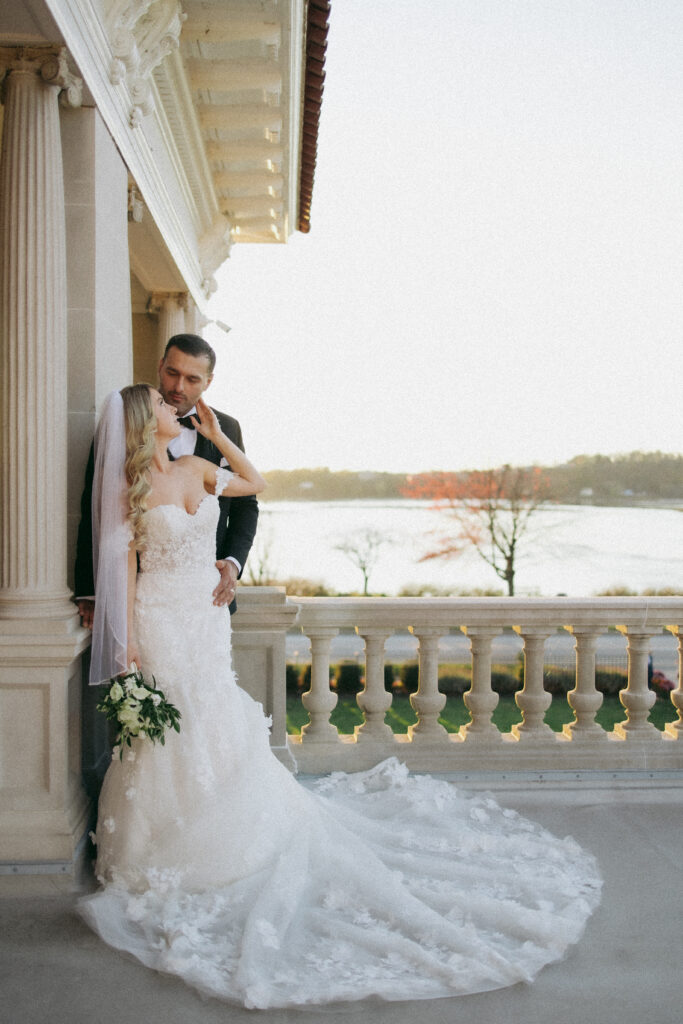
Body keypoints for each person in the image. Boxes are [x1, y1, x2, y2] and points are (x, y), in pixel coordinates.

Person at [78, 384, 602, 1010]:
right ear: (143, 424)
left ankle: (226, 830)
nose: (175, 408)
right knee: (179, 725)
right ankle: (164, 839)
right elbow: (127, 571)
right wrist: (128, 648)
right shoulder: (130, 491)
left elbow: (256, 482)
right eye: (164, 407)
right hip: (161, 617)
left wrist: (218, 436)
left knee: (215, 714)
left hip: (205, 616)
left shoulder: (198, 465)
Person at [74, 334, 257, 627]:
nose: (178, 387)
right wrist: (90, 590)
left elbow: (246, 505)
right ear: (160, 366)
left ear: (208, 382)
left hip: (208, 598)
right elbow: (94, 508)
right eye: (172, 373)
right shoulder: (121, 427)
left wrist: (233, 565)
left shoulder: (227, 428)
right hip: (144, 600)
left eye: (192, 379)